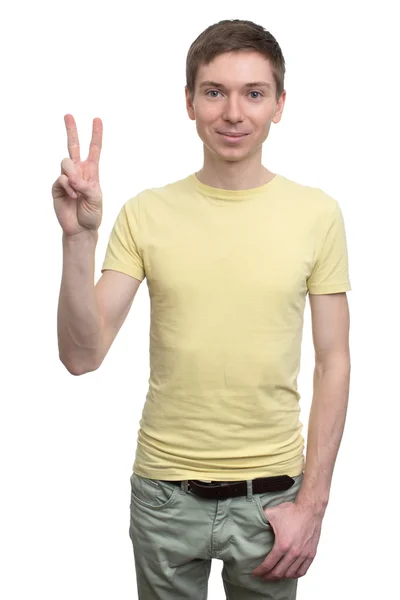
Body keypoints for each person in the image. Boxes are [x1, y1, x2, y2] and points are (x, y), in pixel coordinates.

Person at [54, 18, 351, 600]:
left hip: (273, 503)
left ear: (280, 105)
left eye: (254, 93)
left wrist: (311, 505)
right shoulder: (145, 213)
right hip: (165, 497)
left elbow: (334, 361)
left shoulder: (318, 215)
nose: (233, 113)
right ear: (189, 102)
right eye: (214, 92)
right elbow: (81, 355)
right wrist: (77, 240)